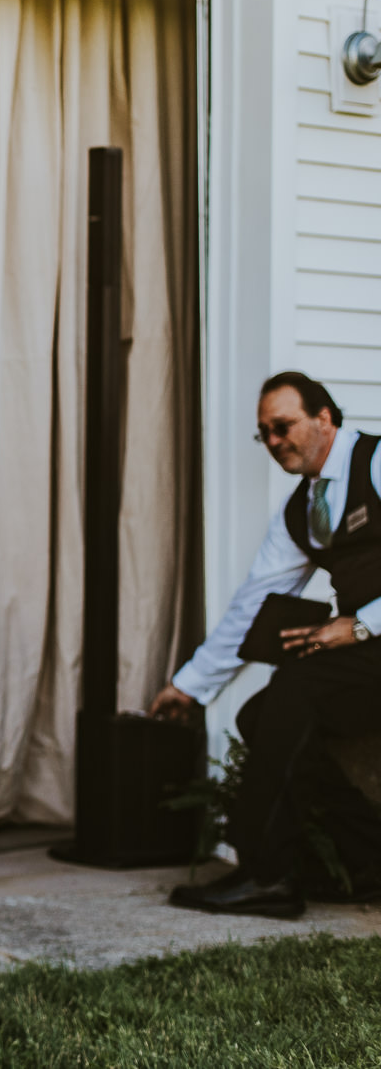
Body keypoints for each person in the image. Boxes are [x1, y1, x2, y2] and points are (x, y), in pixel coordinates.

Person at [153, 372, 381, 918]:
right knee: (262, 716)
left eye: (283, 426)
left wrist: (361, 624)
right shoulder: (301, 510)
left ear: (324, 418)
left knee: (295, 691)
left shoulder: (376, 463)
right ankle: (371, 860)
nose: (275, 441)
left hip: (374, 638)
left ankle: (268, 875)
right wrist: (190, 686)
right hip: (372, 656)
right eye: (265, 433)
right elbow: (253, 606)